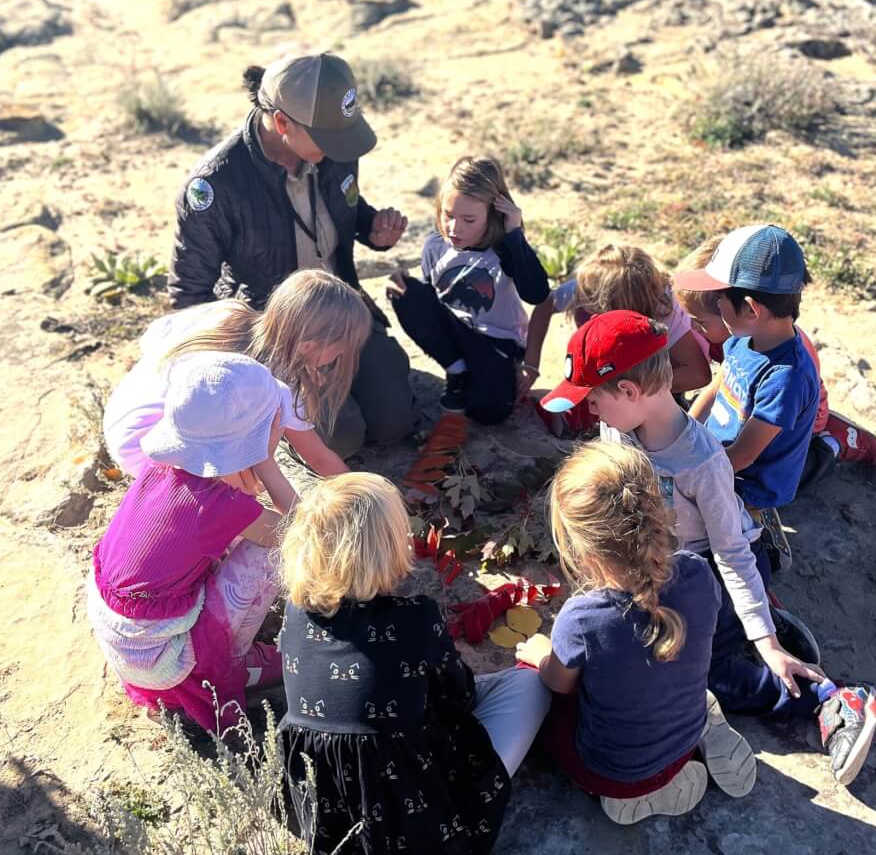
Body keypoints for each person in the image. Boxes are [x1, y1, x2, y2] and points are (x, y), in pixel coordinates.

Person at [536, 311, 876, 787]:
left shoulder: (703, 462)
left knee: (701, 674)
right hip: (656, 560)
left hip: (706, 567)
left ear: (630, 392)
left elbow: (732, 553)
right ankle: (754, 617)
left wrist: (768, 645)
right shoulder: (618, 428)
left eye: (594, 397)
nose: (590, 410)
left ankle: (824, 696)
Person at [277, 473, 550, 854]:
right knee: (529, 686)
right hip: (415, 814)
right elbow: (461, 696)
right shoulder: (415, 617)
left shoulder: (295, 612)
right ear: (388, 547)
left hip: (327, 813)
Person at [166, 52, 414, 456]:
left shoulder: (334, 146)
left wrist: (372, 229)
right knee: (343, 439)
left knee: (394, 421)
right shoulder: (215, 186)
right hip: (277, 335)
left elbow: (343, 204)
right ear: (282, 123)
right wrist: (247, 367)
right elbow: (189, 296)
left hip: (343, 312)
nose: (341, 149)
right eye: (330, 139)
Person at [514, 441, 757, 824]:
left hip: (614, 775)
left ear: (581, 548)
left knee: (536, 689)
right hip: (683, 737)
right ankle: (701, 736)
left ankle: (639, 796)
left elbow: (559, 685)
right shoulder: (697, 572)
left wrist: (541, 657)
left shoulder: (581, 619)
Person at [87, 352, 298, 733]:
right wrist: (265, 460)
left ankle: (212, 644)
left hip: (123, 637)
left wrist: (250, 453)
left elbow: (235, 496)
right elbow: (298, 529)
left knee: (247, 538)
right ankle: (231, 659)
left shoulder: (163, 467)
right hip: (163, 656)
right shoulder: (218, 504)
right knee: (272, 551)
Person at [103, 270, 371, 479]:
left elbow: (153, 336)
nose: (339, 358)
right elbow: (318, 458)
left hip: (123, 417)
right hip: (150, 456)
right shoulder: (277, 383)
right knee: (243, 460)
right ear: (308, 345)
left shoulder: (229, 312)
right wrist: (368, 498)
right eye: (340, 350)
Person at [673, 240, 876, 493]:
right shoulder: (742, 340)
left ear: (751, 309)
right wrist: (685, 433)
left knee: (789, 471)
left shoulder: (785, 379)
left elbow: (742, 457)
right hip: (735, 438)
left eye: (718, 300)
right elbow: (719, 386)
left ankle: (832, 444)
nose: (716, 306)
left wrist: (690, 474)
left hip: (754, 478)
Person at [387, 156, 549, 423]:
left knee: (489, 414)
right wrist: (410, 295)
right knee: (405, 290)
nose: (454, 228)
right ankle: (457, 371)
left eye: (469, 220)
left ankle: (475, 375)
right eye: (448, 215)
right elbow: (432, 302)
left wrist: (514, 233)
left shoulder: (504, 249)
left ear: (493, 215)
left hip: (496, 344)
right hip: (455, 334)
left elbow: (537, 294)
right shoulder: (435, 246)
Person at [523, 244, 709, 400]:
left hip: (658, 378)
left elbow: (697, 374)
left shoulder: (665, 311)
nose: (583, 301)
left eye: (591, 302)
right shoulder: (592, 282)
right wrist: (531, 364)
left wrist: (632, 391)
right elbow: (546, 305)